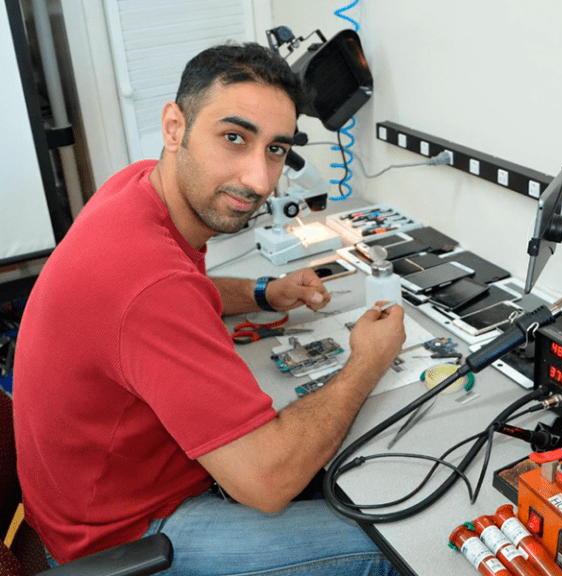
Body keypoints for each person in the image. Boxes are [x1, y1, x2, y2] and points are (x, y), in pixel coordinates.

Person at [13, 42, 406, 575]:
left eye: (274, 150)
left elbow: (185, 288)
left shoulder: (133, 189)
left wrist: (267, 292)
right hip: (126, 537)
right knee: (391, 545)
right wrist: (368, 361)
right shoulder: (148, 284)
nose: (260, 180)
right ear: (174, 127)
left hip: (90, 498)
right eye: (234, 139)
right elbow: (268, 480)